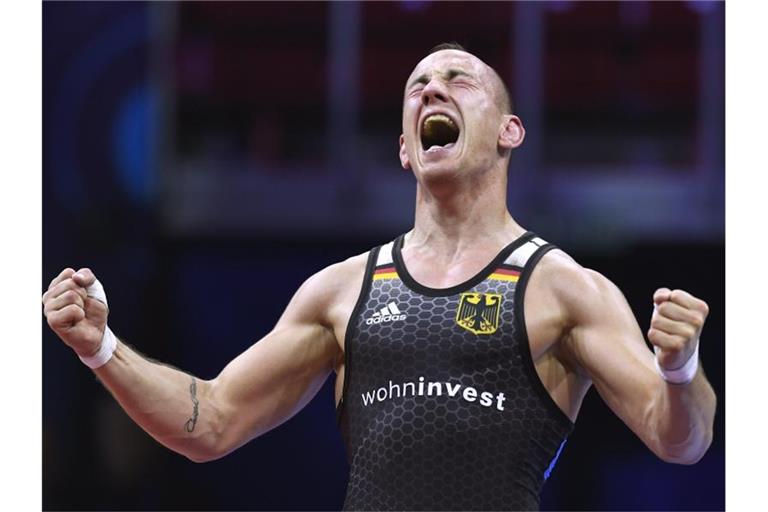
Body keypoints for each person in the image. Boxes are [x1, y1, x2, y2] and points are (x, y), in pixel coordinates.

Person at [42, 43, 717, 511]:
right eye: (417, 87)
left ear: (509, 131)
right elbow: (210, 421)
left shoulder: (564, 289)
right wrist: (101, 349)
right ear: (404, 149)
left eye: (458, 79)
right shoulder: (340, 292)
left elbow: (679, 439)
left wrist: (681, 368)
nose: (432, 89)